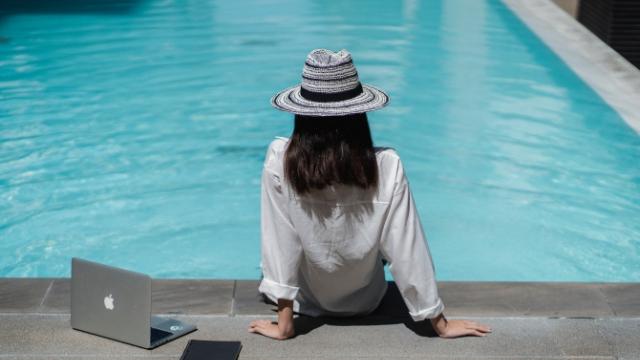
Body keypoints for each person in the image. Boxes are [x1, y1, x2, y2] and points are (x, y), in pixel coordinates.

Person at [248, 49, 492, 340]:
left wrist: (285, 325)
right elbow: (406, 248)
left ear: (302, 114)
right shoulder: (386, 165)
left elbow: (280, 242)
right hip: (365, 301)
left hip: (306, 302)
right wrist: (438, 322)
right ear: (359, 115)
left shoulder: (280, 160)